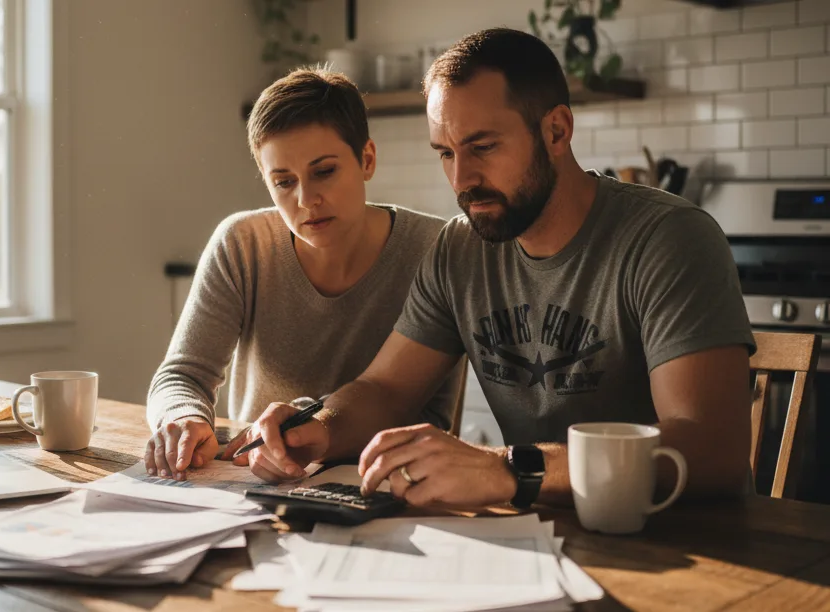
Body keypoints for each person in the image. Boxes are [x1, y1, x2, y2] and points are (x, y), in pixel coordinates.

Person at [239, 28, 756, 508]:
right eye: (445, 153)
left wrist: (510, 469)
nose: (462, 178)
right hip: (539, 534)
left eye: (482, 147)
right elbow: (385, 391)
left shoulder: (668, 238)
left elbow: (712, 448)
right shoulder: (458, 251)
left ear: (556, 130)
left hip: (682, 539)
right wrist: (321, 428)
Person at [144, 68, 462, 480]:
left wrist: (304, 426)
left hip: (393, 482)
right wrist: (183, 418)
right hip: (255, 480)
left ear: (366, 159)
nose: (306, 199)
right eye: (283, 182)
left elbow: (428, 410)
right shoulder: (242, 244)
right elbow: (182, 374)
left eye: (324, 171)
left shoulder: (436, 248)